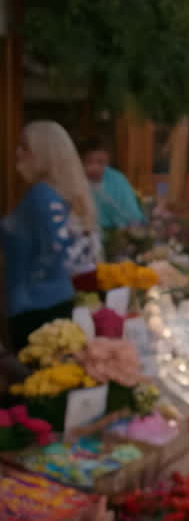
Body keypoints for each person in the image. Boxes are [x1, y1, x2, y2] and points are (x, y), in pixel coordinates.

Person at [4, 121, 99, 350]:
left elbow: (55, 253)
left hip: (34, 306)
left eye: (24, 147)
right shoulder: (59, 194)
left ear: (43, 153)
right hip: (55, 300)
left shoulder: (41, 195)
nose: (18, 153)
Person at [79, 135, 145, 232]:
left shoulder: (117, 179)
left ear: (107, 161)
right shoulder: (76, 180)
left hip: (120, 232)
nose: (95, 167)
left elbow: (131, 212)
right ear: (81, 161)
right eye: (89, 162)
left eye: (101, 162)